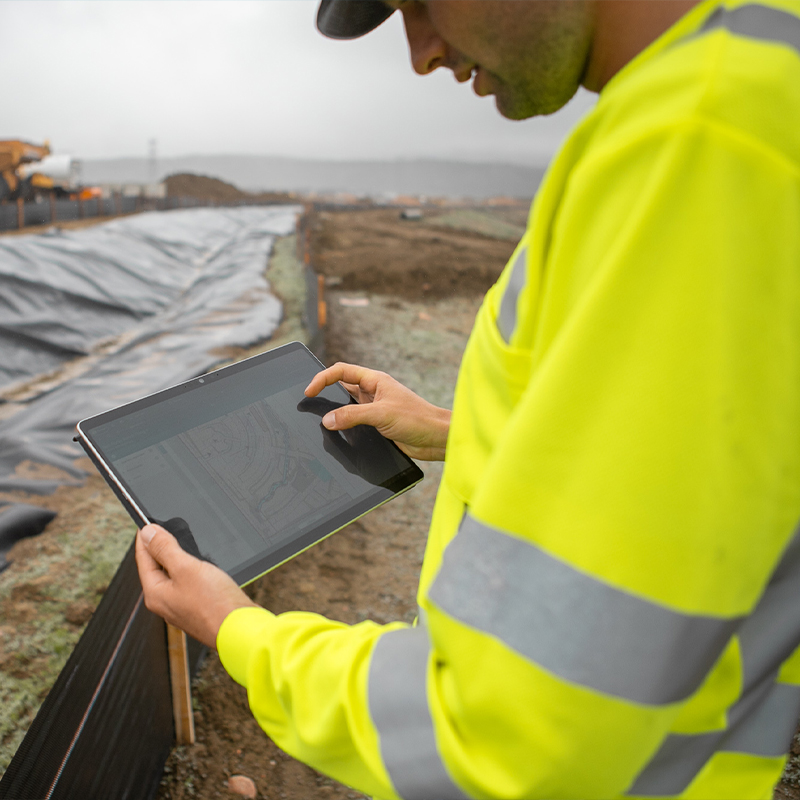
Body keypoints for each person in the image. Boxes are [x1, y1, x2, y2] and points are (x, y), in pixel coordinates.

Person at [135, 1, 800, 797]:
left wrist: (238, 630)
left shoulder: (700, 144)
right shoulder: (753, 84)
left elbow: (507, 733)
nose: (420, 52)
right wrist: (456, 428)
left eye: (418, 2)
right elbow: (698, 458)